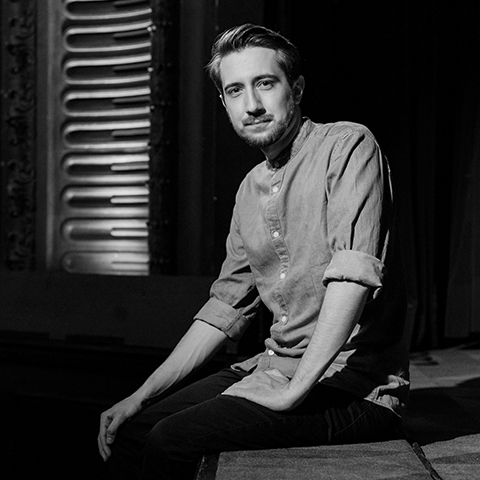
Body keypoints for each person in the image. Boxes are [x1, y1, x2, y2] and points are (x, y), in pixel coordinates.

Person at [97, 23, 409, 480]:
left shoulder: (347, 145)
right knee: (134, 429)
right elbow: (224, 309)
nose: (252, 104)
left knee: (171, 441)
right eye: (235, 90)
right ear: (224, 102)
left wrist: (292, 392)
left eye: (265, 83)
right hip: (272, 366)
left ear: (295, 89)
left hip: (353, 387)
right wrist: (140, 395)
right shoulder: (249, 189)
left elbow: (352, 279)